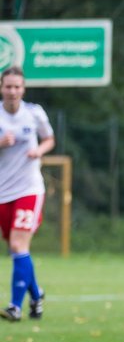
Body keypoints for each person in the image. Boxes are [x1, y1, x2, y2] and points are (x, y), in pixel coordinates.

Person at [0, 67, 56, 322]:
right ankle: (36, 294)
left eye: (17, 87)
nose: (12, 91)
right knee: (16, 249)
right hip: (3, 191)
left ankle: (14, 306)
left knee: (17, 245)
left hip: (29, 189)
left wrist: (39, 151)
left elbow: (49, 139)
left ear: (23, 89)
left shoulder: (34, 113)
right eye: (8, 86)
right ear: (1, 88)